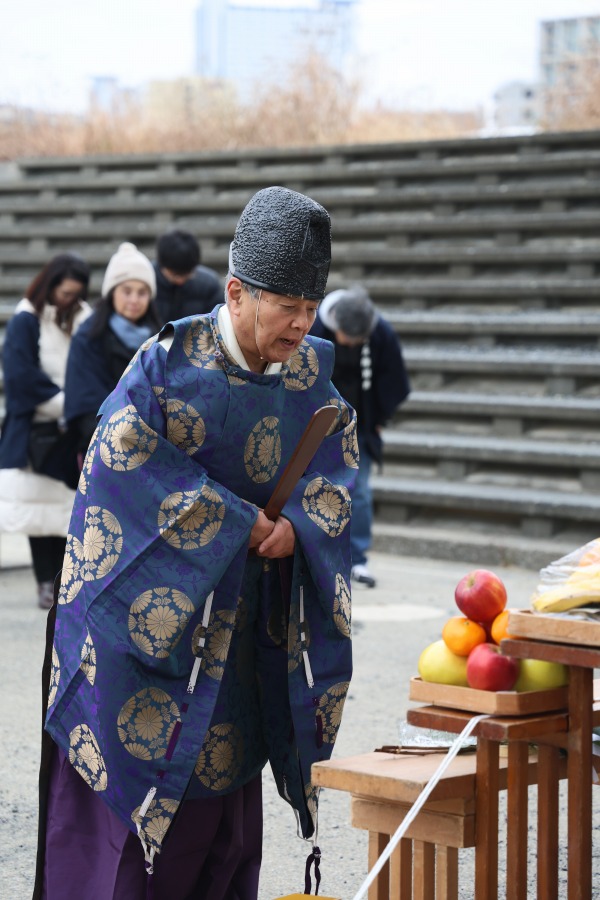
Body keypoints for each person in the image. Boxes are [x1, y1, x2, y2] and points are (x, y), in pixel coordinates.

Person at [35, 186, 357, 900]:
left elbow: (336, 479)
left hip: (240, 649)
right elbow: (119, 468)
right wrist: (242, 522)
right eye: (287, 309)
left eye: (311, 310)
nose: (302, 327)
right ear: (237, 293)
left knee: (223, 845)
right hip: (140, 649)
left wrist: (297, 531)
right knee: (128, 854)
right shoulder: (164, 366)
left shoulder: (314, 378)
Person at [0, 253, 92, 609]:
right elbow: (22, 378)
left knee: (67, 509)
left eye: (76, 294)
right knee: (39, 512)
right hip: (37, 429)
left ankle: (63, 581)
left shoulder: (80, 317)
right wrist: (67, 402)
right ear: (50, 286)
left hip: (70, 427)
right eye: (66, 292)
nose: (70, 299)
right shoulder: (27, 320)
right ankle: (45, 582)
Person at [311, 285, 410, 588]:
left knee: (360, 491)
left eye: (356, 340)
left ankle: (358, 557)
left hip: (361, 422)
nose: (351, 344)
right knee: (316, 487)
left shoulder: (380, 333)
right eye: (347, 338)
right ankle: (318, 553)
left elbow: (393, 379)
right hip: (317, 422)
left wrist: (379, 419)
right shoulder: (316, 327)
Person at [64, 242, 162, 455]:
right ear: (111, 292)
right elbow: (85, 405)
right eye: (127, 291)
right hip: (102, 449)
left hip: (153, 449)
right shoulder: (89, 337)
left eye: (142, 292)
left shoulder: (160, 338)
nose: (134, 300)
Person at [153, 228, 222, 324]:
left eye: (186, 274)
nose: (180, 280)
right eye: (175, 275)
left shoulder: (209, 285)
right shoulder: (145, 282)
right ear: (162, 265)